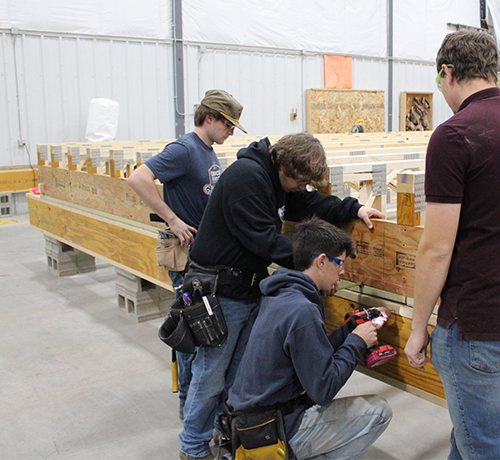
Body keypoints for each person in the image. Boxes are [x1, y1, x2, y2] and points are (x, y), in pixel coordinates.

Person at [179, 132, 385, 460]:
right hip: (222, 290)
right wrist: (315, 269)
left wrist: (354, 208)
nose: (303, 188)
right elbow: (263, 239)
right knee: (212, 374)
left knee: (233, 375)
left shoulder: (276, 181)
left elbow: (311, 204)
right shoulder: (246, 178)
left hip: (246, 287)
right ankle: (192, 446)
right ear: (286, 167)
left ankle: (228, 435)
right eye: (301, 181)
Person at [404, 30, 500, 460]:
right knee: (469, 433)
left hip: (476, 329)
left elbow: (436, 248)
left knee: (482, 446)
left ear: (447, 73)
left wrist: (417, 327)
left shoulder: (454, 135)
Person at [227, 216, 392, 459]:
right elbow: (323, 389)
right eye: (340, 264)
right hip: (273, 430)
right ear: (322, 261)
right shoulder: (303, 310)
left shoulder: (282, 295)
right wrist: (357, 341)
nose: (343, 272)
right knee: (379, 412)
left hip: (252, 423)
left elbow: (310, 354)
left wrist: (348, 331)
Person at [127, 89, 246, 420]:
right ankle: (189, 407)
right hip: (186, 258)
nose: (231, 132)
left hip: (203, 257)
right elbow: (138, 178)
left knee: (201, 329)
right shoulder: (184, 149)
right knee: (192, 332)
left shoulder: (207, 151)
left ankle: (196, 404)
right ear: (209, 118)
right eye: (228, 125)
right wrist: (173, 218)